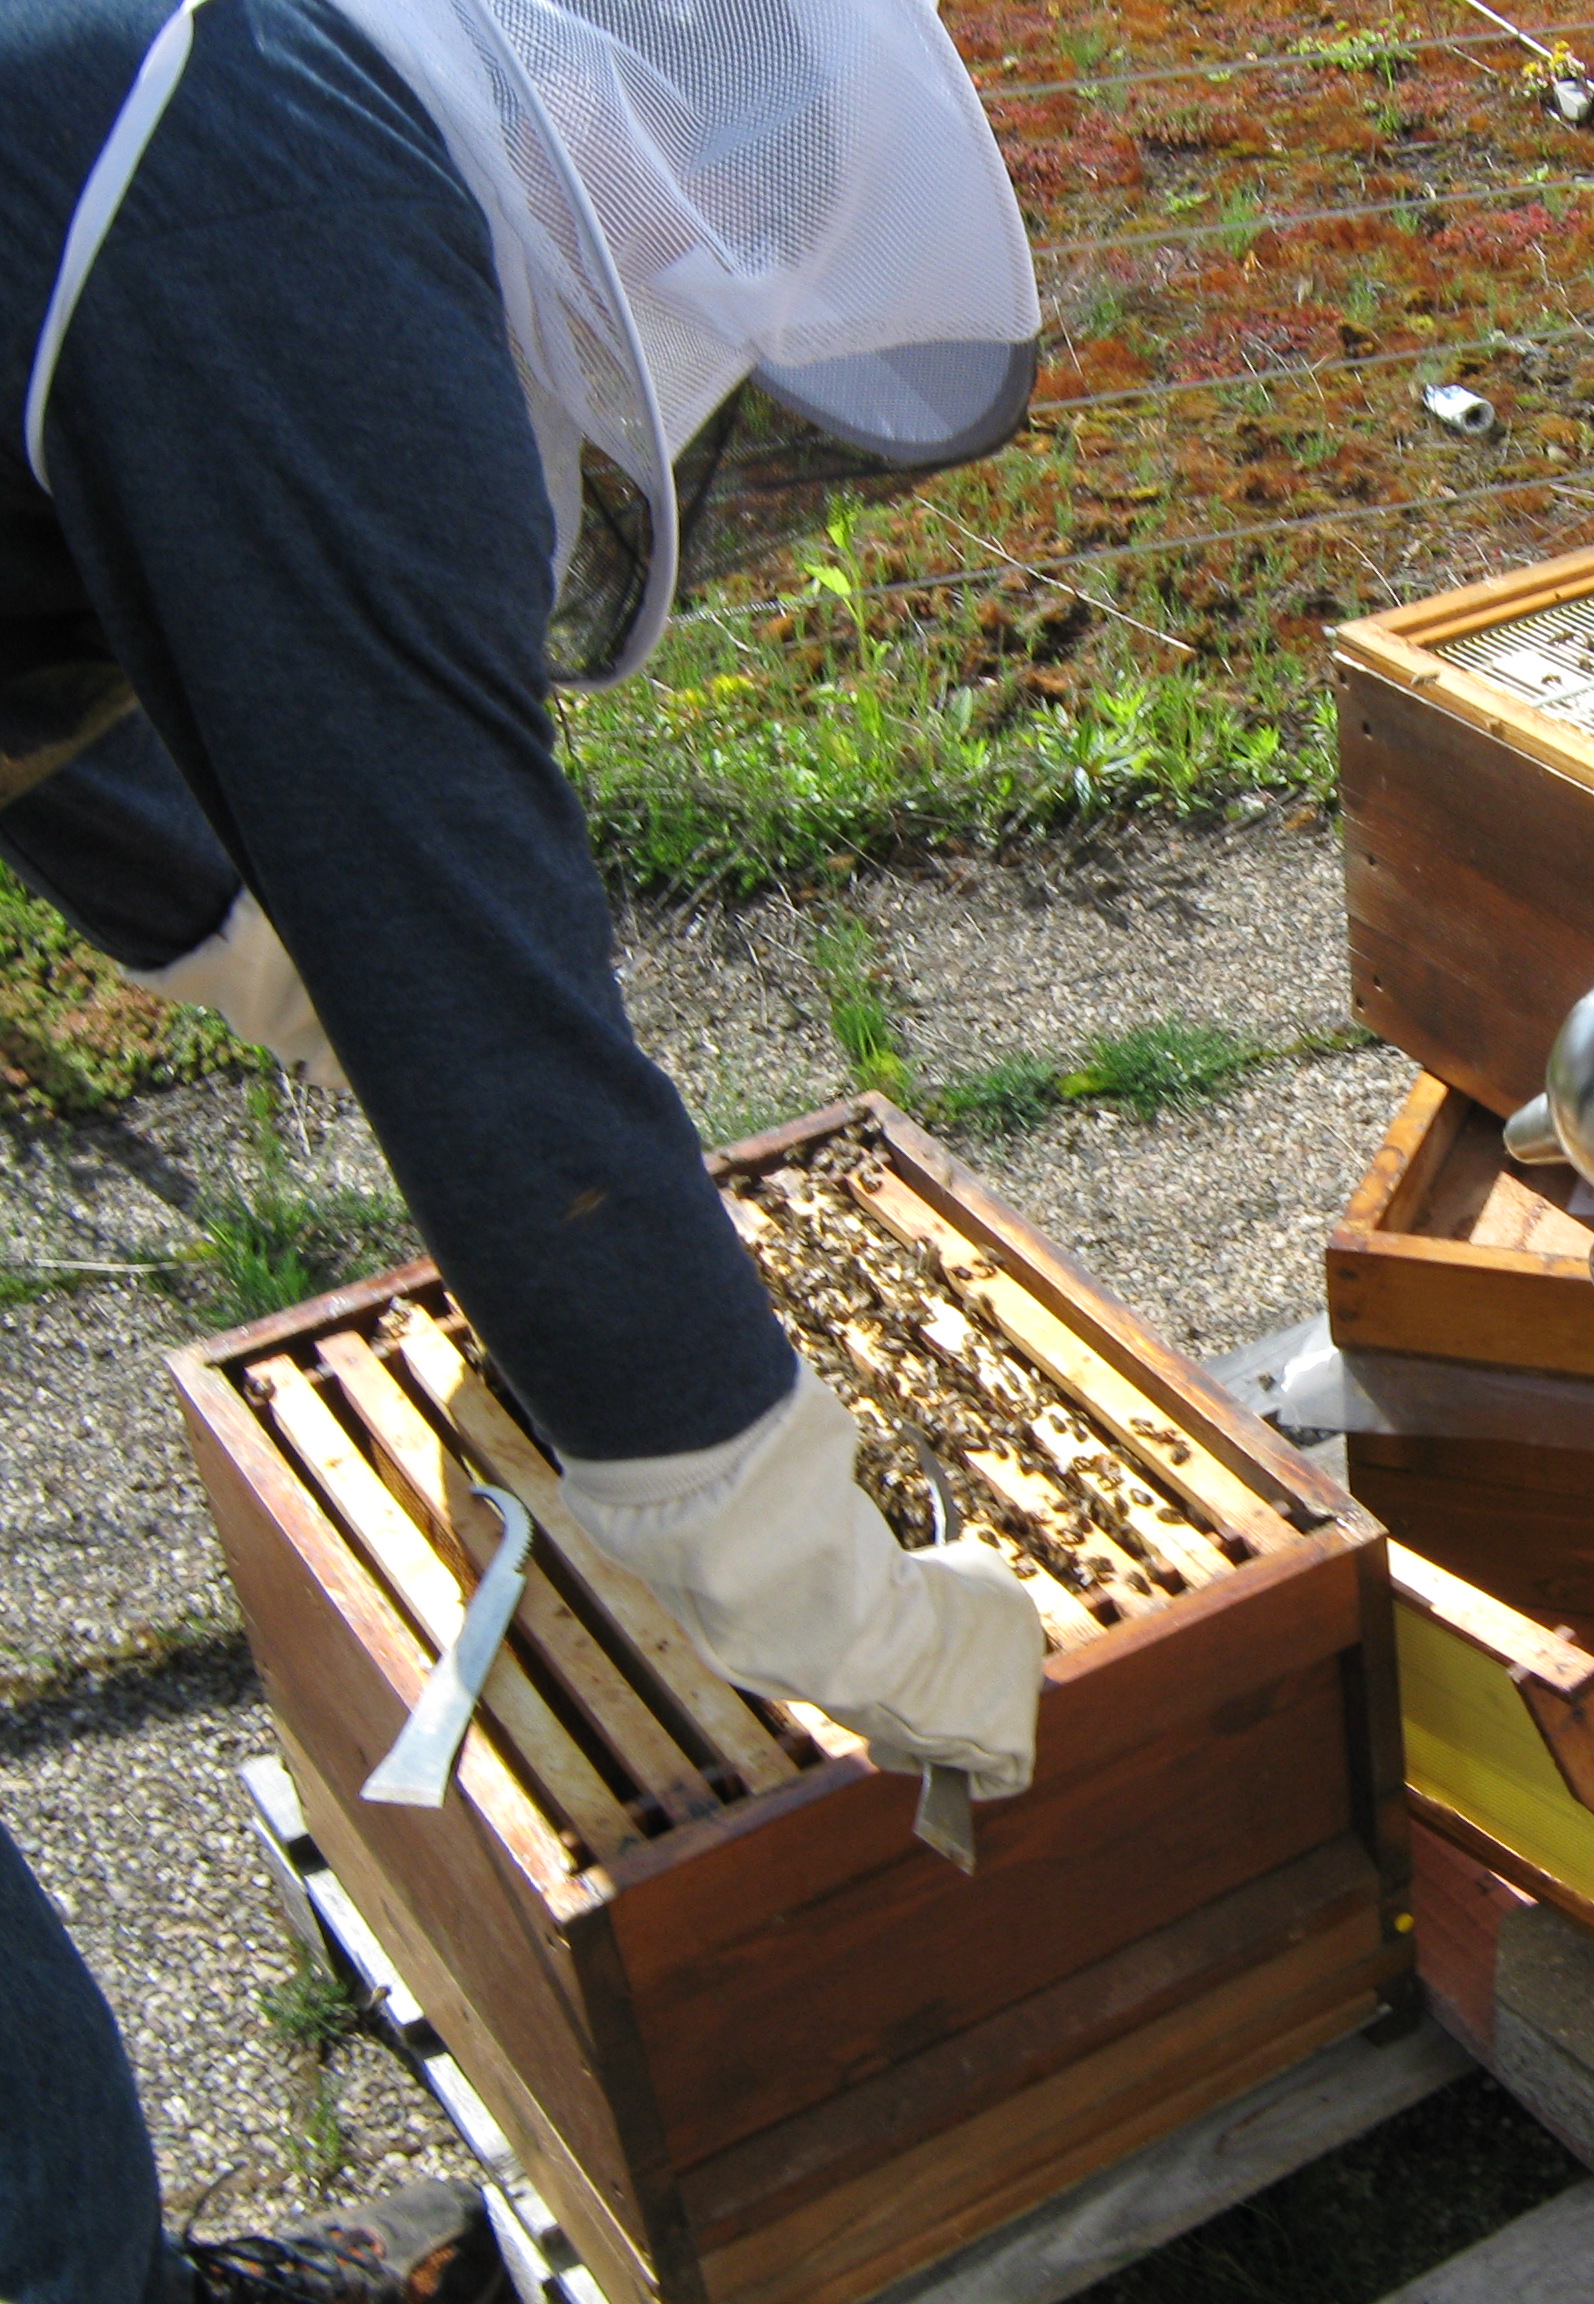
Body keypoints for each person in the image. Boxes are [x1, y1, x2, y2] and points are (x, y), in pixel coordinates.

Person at [3, 0, 1053, 2293]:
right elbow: (509, 1057)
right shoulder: (288, 212)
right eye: (716, 266)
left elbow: (35, 661)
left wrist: (266, 939)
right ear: (608, 104)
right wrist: (837, 1601)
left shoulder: (202, 100)